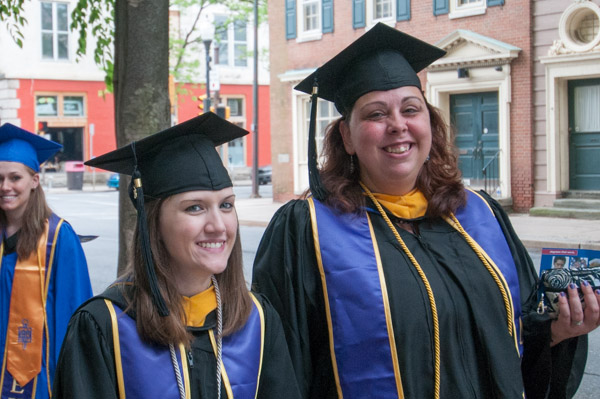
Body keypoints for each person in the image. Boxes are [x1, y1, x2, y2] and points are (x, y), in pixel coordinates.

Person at [252, 23, 600, 399]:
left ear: (429, 125)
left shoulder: (479, 215)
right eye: (375, 114)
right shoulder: (308, 230)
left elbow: (521, 333)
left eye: (411, 109)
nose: (398, 125)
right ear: (347, 138)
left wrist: (559, 331)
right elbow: (280, 369)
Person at [53, 113, 301, 399]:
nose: (218, 226)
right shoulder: (103, 326)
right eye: (195, 208)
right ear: (154, 224)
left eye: (226, 205)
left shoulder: (257, 319)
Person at [0, 123, 93, 398]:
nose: (5, 187)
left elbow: (76, 315)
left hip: (39, 378)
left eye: (15, 177)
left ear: (34, 181)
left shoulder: (58, 237)